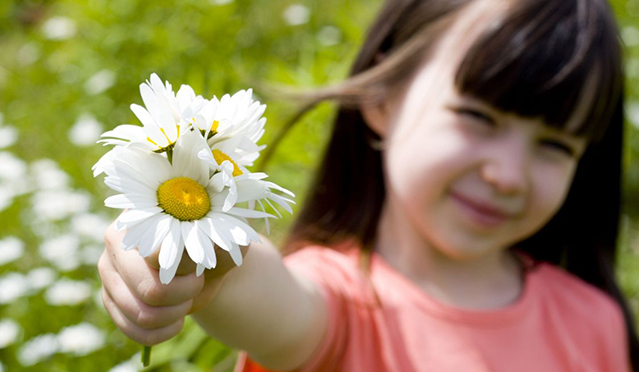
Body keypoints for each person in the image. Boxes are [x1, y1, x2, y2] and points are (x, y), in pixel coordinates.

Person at [98, 0, 639, 370]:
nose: (507, 175)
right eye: (479, 117)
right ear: (384, 96)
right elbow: (265, 295)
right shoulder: (337, 309)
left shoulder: (596, 322)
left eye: (555, 145)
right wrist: (200, 257)